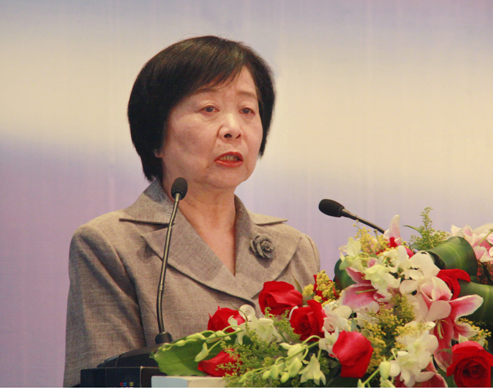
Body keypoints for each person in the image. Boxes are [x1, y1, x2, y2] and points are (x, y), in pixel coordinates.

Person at [63, 36, 320, 386]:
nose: (233, 129)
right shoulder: (111, 245)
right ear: (156, 136)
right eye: (209, 109)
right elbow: (106, 381)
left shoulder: (295, 248)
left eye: (247, 110)